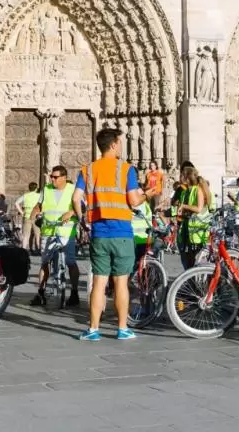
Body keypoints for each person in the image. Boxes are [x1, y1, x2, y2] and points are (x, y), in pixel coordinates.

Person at [76, 127, 149, 341]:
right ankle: (122, 328)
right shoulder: (126, 169)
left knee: (99, 281)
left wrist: (83, 219)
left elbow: (75, 197)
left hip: (99, 232)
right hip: (122, 233)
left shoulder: (88, 169)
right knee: (120, 282)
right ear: (114, 144)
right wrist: (147, 194)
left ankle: (93, 329)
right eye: (120, 142)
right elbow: (134, 200)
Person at [30, 166, 83, 307]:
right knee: (44, 262)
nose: (52, 179)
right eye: (51, 176)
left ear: (64, 177)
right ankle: (40, 293)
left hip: (66, 232)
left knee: (71, 262)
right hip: (48, 230)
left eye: (55, 177)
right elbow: (39, 205)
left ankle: (75, 292)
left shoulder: (73, 189)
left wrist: (71, 212)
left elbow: (81, 207)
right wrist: (34, 213)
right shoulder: (46, 189)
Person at [176, 166, 210, 270]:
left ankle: (195, 283)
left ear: (187, 177)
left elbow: (199, 208)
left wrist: (184, 206)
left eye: (181, 175)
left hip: (197, 231)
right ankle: (190, 282)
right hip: (187, 229)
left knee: (195, 262)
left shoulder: (198, 189)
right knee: (187, 260)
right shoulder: (185, 191)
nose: (179, 177)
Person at [15, 182, 42, 254]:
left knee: (26, 235)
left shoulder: (25, 195)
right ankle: (38, 250)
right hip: (36, 217)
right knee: (37, 235)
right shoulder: (39, 196)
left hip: (27, 216)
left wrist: (21, 212)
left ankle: (23, 250)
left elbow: (16, 203)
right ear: (36, 188)